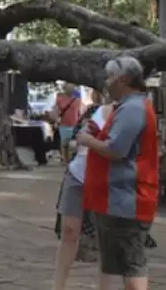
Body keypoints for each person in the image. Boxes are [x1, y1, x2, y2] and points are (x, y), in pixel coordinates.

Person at [77, 56, 158, 290]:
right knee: (117, 265)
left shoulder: (132, 108)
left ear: (123, 79)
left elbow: (116, 150)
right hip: (117, 199)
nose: (107, 82)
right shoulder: (128, 107)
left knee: (132, 265)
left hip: (127, 199)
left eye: (110, 76)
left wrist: (88, 141)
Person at [54, 89, 109, 289]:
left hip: (105, 181)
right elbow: (78, 137)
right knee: (69, 231)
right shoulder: (94, 111)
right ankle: (58, 285)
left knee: (105, 237)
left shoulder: (129, 114)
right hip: (77, 174)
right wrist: (79, 144)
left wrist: (91, 143)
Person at [52, 83, 84, 164]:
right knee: (64, 143)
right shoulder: (60, 98)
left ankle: (71, 160)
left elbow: (80, 112)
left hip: (75, 124)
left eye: (72, 86)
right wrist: (56, 120)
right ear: (65, 88)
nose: (70, 88)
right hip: (63, 123)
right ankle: (65, 160)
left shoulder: (77, 99)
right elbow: (56, 110)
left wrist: (81, 122)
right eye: (68, 87)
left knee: (73, 143)